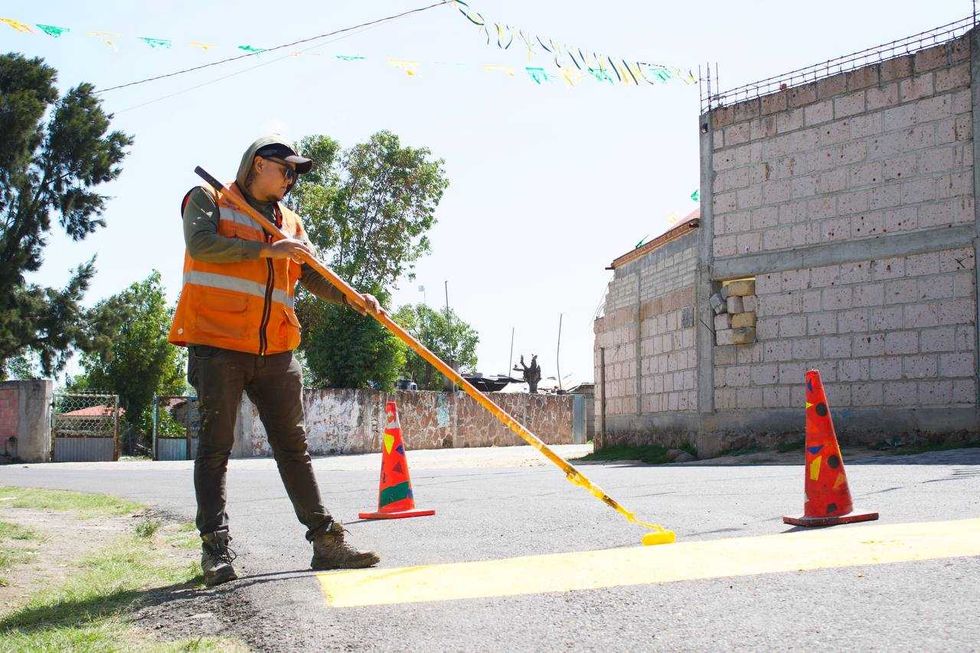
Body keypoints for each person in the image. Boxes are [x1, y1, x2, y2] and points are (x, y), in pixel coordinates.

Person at [169, 136, 382, 586]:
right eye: (286, 170)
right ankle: (215, 550)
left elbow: (312, 275)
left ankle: (326, 542)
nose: (291, 179)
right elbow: (202, 245)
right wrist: (270, 250)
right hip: (218, 343)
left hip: (276, 350)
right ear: (258, 165)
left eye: (295, 174)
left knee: (293, 448)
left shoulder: (290, 222)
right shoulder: (209, 199)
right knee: (215, 448)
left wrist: (351, 297)